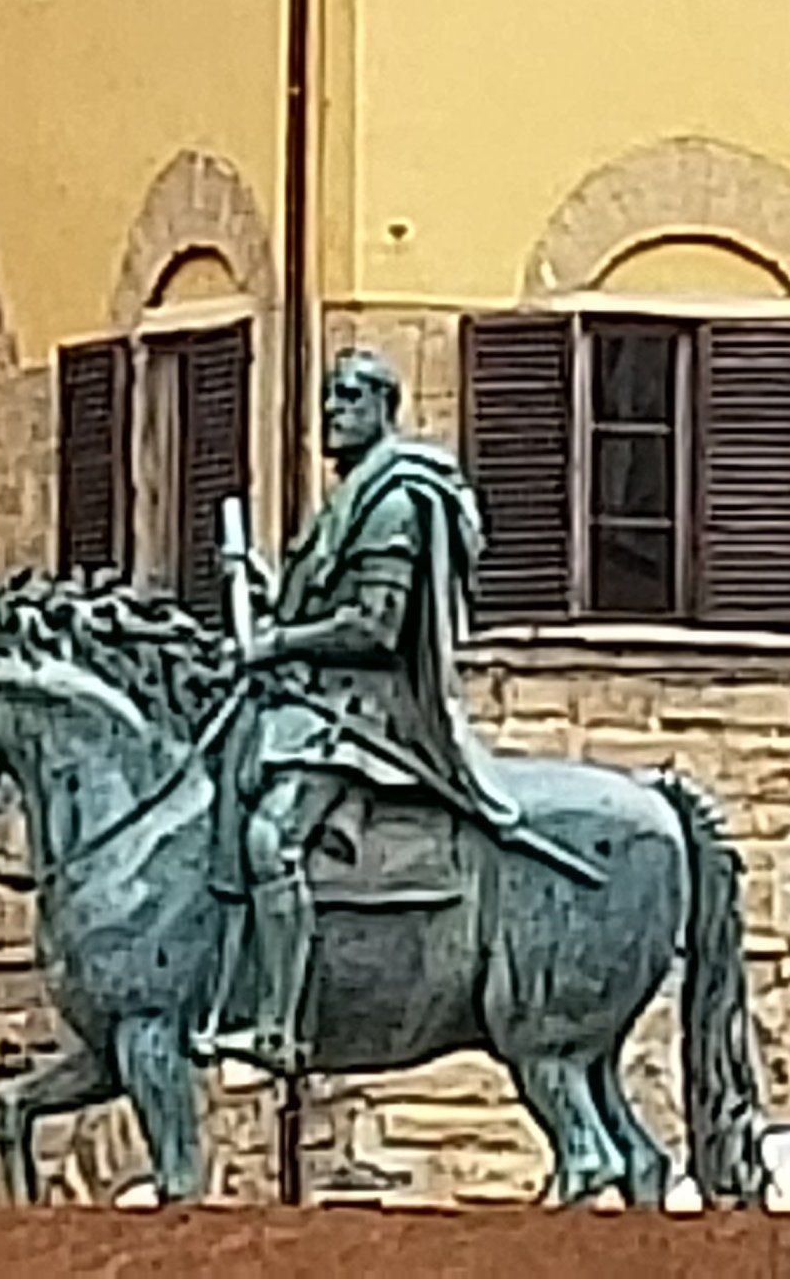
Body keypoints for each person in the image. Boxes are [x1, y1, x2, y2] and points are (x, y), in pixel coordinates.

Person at [197, 348, 523, 1073]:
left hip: (364, 717)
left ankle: (277, 1027)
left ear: (384, 406)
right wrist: (261, 583)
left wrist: (276, 640)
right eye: (328, 399)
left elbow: (375, 626)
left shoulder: (395, 501)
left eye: (348, 398)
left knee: (270, 838)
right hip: (314, 706)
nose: (332, 412)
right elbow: (323, 603)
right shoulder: (347, 502)